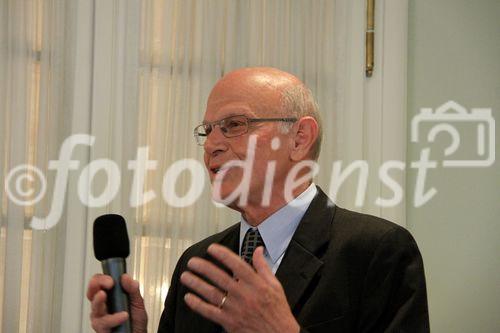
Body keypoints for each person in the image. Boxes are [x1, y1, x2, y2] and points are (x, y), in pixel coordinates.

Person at [87, 67, 429, 333]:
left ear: (299, 139)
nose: (212, 145)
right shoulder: (198, 264)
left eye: (234, 125)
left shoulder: (377, 251)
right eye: (207, 131)